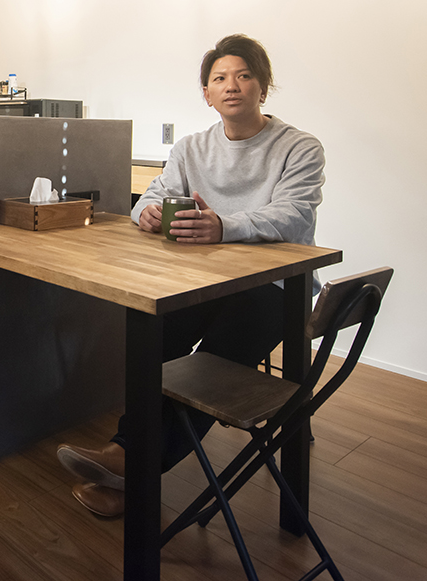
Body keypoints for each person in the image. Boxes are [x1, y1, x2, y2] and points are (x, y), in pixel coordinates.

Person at [56, 33, 325, 518]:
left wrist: (223, 225)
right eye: (220, 78)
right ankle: (126, 464)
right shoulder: (191, 147)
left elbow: (293, 215)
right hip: (202, 282)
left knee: (209, 367)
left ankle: (129, 463)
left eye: (244, 75)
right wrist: (146, 213)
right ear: (206, 93)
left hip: (276, 288)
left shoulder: (299, 147)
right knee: (156, 338)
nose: (232, 85)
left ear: (264, 87)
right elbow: (153, 195)